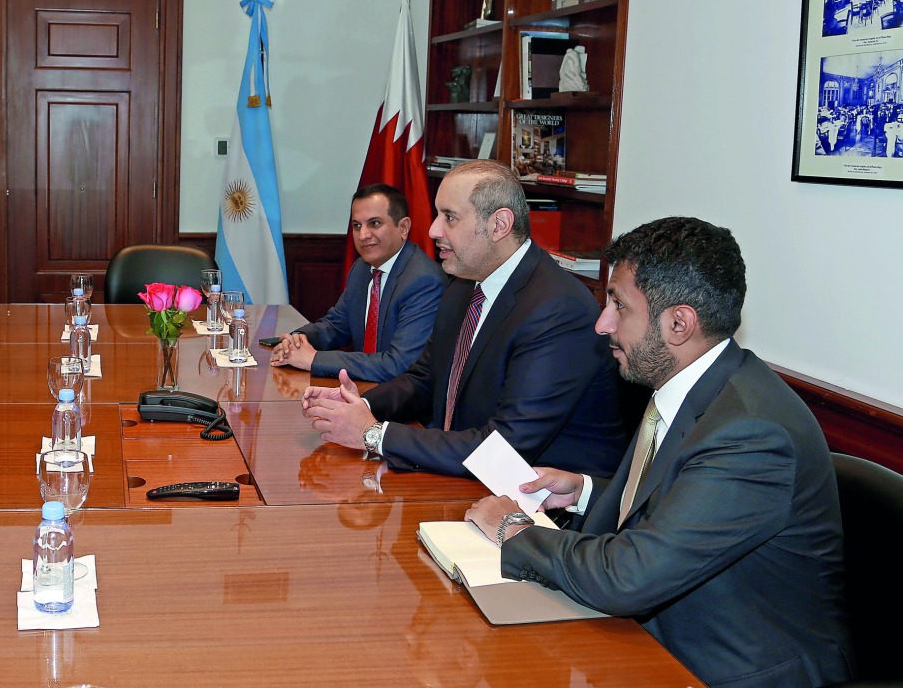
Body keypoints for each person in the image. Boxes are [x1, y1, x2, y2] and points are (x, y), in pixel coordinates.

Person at [466, 216, 851, 688]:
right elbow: (685, 500)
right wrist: (586, 492)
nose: (602, 323)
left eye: (618, 305)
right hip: (651, 637)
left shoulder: (751, 432)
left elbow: (629, 577)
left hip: (729, 667)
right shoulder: (693, 383)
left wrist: (513, 528)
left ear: (678, 323)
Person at [302, 160, 625, 478]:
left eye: (450, 217)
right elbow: (425, 378)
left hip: (543, 505)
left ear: (499, 225)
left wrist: (373, 434)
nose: (432, 230)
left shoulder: (557, 310)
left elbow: (504, 448)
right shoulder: (464, 282)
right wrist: (361, 407)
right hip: (461, 472)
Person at [270, 183, 445, 382]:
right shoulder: (362, 269)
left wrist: (314, 359)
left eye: (375, 224)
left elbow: (399, 365)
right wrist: (298, 339)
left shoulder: (423, 281)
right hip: (362, 390)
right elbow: (336, 326)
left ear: (403, 228)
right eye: (357, 225)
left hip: (401, 405)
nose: (363, 235)